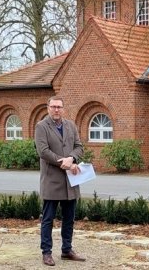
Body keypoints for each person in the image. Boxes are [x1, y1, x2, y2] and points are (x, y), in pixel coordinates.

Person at [34, 96, 86, 266]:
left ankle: (66, 250)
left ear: (63, 109)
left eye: (59, 107)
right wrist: (63, 162)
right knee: (48, 219)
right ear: (48, 107)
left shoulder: (71, 125)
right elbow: (43, 151)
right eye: (53, 106)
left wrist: (71, 158)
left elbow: (79, 147)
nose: (56, 110)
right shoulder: (41, 126)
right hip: (52, 181)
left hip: (70, 181)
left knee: (69, 218)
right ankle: (46, 252)